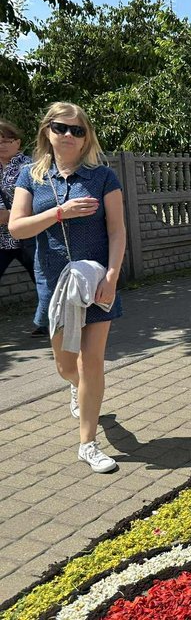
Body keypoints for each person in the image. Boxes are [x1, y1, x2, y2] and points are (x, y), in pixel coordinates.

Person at [9, 103, 126, 473]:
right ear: (48, 131)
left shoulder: (103, 176)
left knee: (91, 362)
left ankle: (87, 443)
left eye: (78, 130)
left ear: (87, 135)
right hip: (54, 284)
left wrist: (112, 276)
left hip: (96, 282)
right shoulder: (30, 176)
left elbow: (117, 230)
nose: (70, 136)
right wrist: (60, 212)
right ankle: (75, 387)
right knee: (66, 364)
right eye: (62, 128)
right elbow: (17, 228)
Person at [0, 119, 45, 336]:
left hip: (29, 235)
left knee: (42, 278)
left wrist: (12, 215)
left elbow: (41, 201)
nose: (2, 145)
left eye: (7, 140)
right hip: (2, 239)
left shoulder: (30, 167)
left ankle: (50, 321)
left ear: (18, 142)